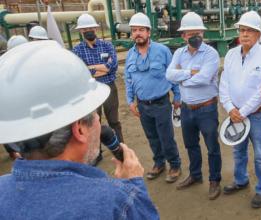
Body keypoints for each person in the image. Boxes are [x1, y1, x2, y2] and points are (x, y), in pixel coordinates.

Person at [0, 41, 159, 219]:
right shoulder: (115, 201)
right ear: (80, 129)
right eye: (95, 114)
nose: (99, 121)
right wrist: (133, 186)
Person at [219, 11, 261, 208]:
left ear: (259, 34)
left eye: (249, 31)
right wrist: (229, 107)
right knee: (238, 150)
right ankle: (241, 180)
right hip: (235, 114)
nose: (244, 34)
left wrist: (242, 112)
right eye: (242, 30)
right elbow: (224, 83)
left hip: (258, 115)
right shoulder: (232, 54)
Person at [166, 12, 222, 200]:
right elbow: (169, 75)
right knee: (191, 145)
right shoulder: (179, 53)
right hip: (187, 108)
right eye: (190, 34)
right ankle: (195, 175)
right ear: (183, 36)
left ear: (203, 34)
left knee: (212, 146)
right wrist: (190, 73)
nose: (195, 37)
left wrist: (182, 78)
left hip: (207, 108)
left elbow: (204, 78)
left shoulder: (211, 53)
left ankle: (214, 180)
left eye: (198, 32)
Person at [124, 13, 182, 183]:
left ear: (149, 32)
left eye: (141, 29)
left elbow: (173, 75)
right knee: (152, 137)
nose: (137, 33)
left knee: (166, 137)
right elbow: (128, 79)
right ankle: (159, 163)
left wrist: (177, 95)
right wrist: (130, 101)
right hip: (142, 105)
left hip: (161, 103)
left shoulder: (162, 51)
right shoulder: (130, 55)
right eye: (134, 30)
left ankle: (175, 164)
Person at [73, 13, 124, 165]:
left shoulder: (107, 45)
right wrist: (101, 68)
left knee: (114, 121)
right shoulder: (77, 50)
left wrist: (91, 69)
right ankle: (96, 153)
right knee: (94, 123)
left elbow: (112, 67)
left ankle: (121, 150)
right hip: (90, 90)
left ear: (96, 28)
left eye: (91, 28)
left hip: (109, 88)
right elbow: (80, 71)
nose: (88, 31)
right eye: (85, 29)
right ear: (81, 31)